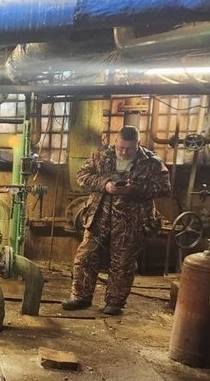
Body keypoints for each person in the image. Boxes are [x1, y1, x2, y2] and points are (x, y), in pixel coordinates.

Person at [63, 125, 170, 316]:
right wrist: (105, 184)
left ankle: (115, 302)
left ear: (138, 144)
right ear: (115, 142)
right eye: (121, 147)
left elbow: (164, 187)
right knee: (85, 257)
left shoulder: (151, 163)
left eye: (129, 148)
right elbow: (82, 176)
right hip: (98, 216)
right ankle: (81, 297)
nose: (124, 152)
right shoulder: (102, 156)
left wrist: (134, 188)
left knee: (123, 263)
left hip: (131, 221)